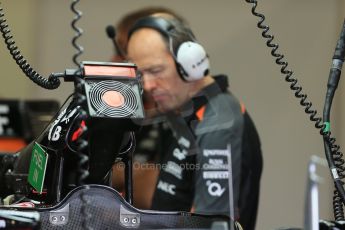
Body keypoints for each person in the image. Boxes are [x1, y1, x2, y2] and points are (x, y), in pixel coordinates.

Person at [126, 14, 263, 230]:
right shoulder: (182, 114)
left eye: (155, 71)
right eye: (140, 75)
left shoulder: (219, 122)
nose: (148, 85)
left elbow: (212, 226)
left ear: (190, 62)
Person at [109, 7, 186, 210]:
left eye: (124, 53)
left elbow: (156, 191)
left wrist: (117, 173)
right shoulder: (127, 111)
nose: (115, 62)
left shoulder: (189, 115)